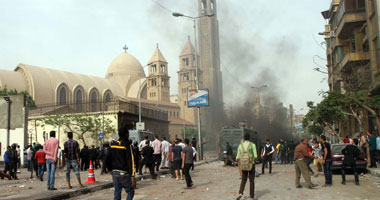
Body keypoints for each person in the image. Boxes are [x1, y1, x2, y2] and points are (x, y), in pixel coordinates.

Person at [105, 125, 136, 200]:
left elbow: (106, 158)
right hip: (124, 173)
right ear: (126, 134)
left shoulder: (113, 145)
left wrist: (110, 170)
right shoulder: (127, 146)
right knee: (130, 191)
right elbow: (130, 161)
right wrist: (132, 176)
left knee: (117, 192)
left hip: (115, 173)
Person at [236, 133, 257, 200]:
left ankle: (240, 193)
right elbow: (256, 156)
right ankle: (251, 196)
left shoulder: (240, 146)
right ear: (249, 138)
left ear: (244, 138)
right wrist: (252, 159)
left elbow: (237, 157)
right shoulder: (252, 145)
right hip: (251, 164)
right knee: (251, 180)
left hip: (243, 165)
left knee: (243, 179)